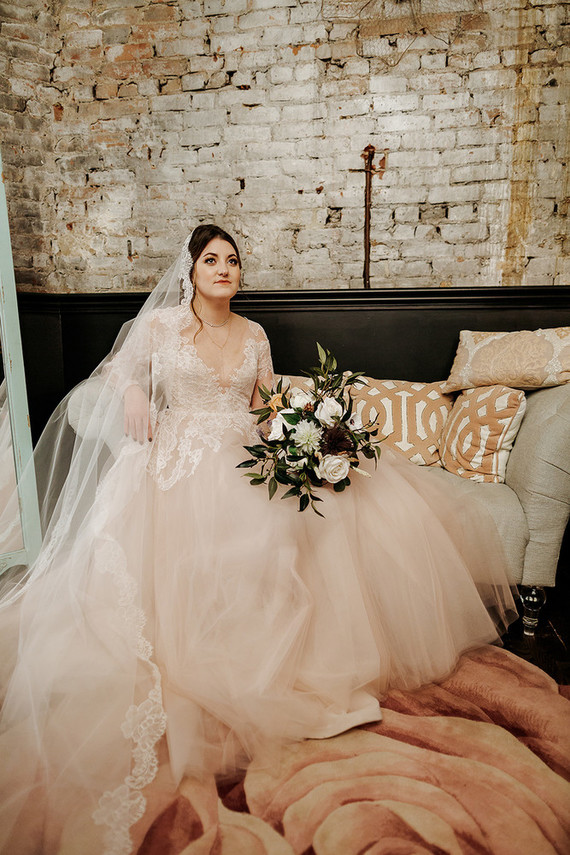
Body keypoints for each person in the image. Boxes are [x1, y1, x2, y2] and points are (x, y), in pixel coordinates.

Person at [0, 224, 517, 855]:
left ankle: (278, 655)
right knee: (208, 548)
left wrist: (305, 439)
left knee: (300, 527)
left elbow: (265, 405)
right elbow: (113, 370)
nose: (224, 269)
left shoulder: (254, 334)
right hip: (179, 465)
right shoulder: (160, 326)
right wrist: (133, 388)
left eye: (233, 260)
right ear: (191, 272)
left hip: (244, 458)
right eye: (211, 260)